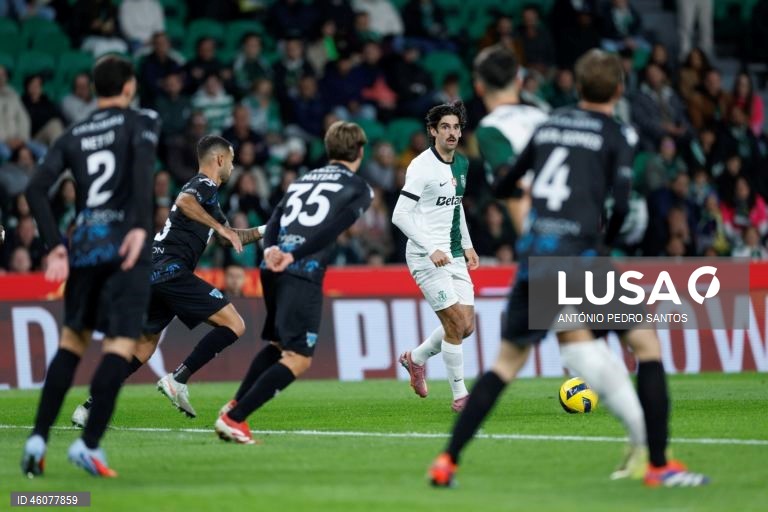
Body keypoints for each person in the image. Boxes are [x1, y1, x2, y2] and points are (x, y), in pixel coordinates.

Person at [428, 49, 709, 488]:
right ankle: (658, 463)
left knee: (504, 365)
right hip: (581, 252)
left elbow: (508, 185)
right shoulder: (595, 127)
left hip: (539, 251)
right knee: (645, 344)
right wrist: (605, 240)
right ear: (618, 91)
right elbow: (618, 196)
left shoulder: (537, 126)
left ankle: (446, 462)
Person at [21, 55, 160, 478]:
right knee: (120, 344)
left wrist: (54, 248)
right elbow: (142, 172)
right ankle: (89, 445)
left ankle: (38, 439)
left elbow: (34, 188)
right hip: (125, 247)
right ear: (129, 86)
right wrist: (140, 226)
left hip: (83, 247)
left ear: (96, 89)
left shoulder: (72, 133)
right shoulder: (142, 121)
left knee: (72, 342)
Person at [69, 135, 265, 427]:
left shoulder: (209, 199)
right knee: (234, 324)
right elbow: (184, 201)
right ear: (220, 159)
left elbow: (230, 237)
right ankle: (178, 378)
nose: (233, 167)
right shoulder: (202, 185)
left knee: (143, 347)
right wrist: (218, 229)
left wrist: (266, 228)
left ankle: (88, 408)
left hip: (154, 269)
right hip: (171, 269)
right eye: (232, 160)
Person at [215, 121, 373, 444]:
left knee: (278, 346)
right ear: (359, 151)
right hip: (301, 270)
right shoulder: (359, 187)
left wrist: (272, 249)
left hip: (270, 266)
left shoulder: (304, 179)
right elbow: (332, 228)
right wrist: (295, 254)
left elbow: (275, 218)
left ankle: (233, 407)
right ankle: (235, 417)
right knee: (298, 357)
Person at [391, 101, 479, 412]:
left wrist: (467, 244)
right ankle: (460, 396)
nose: (452, 132)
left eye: (456, 127)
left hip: (454, 252)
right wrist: (431, 248)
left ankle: (415, 359)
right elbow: (400, 215)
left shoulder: (462, 164)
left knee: (466, 326)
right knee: (455, 323)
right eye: (445, 127)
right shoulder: (420, 166)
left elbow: (456, 207)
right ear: (433, 131)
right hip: (424, 256)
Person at [473, 44, 548, 234]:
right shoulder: (544, 116)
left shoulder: (491, 128)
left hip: (545, 232)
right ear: (519, 81)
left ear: (479, 88)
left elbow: (514, 186)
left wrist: (531, 247)